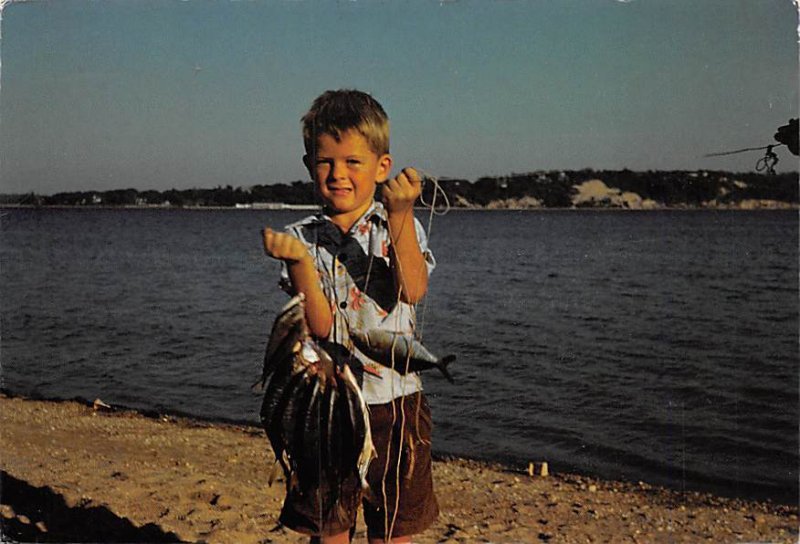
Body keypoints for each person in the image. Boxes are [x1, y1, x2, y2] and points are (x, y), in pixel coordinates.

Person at [262, 89, 439, 543]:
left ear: (382, 167)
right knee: (331, 526)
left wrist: (400, 213)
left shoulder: (397, 223)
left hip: (397, 406)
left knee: (394, 529)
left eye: (352, 162)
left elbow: (413, 289)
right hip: (329, 407)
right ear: (308, 165)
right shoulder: (302, 238)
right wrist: (299, 263)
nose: (338, 174)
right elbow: (320, 327)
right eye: (325, 162)